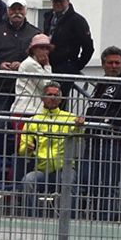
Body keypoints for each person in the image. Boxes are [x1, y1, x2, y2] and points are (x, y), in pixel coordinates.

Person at [83, 46, 121, 219]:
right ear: (103, 64)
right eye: (110, 63)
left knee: (108, 183)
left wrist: (107, 123)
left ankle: (107, 220)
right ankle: (91, 217)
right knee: (88, 181)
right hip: (93, 139)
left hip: (114, 141)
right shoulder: (101, 83)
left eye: (117, 63)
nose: (114, 66)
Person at [18, 80, 83, 216]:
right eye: (49, 94)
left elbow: (79, 136)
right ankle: (30, 219)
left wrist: (80, 126)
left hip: (64, 168)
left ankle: (69, 220)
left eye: (56, 95)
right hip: (41, 170)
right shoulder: (33, 121)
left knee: (69, 181)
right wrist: (28, 149)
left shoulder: (70, 118)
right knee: (28, 181)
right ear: (42, 98)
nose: (53, 98)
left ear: (61, 99)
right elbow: (22, 152)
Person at [42, 0, 93, 95]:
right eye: (55, 1)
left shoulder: (77, 21)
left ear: (68, 1)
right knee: (46, 99)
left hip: (65, 69)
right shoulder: (48, 16)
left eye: (61, 1)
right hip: (48, 66)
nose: (58, 3)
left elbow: (88, 47)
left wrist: (75, 66)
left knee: (59, 100)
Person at [12, 33, 53, 118]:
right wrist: (47, 66)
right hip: (27, 110)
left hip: (29, 109)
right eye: (41, 48)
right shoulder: (31, 64)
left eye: (47, 48)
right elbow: (46, 86)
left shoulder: (34, 63)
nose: (45, 51)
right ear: (33, 49)